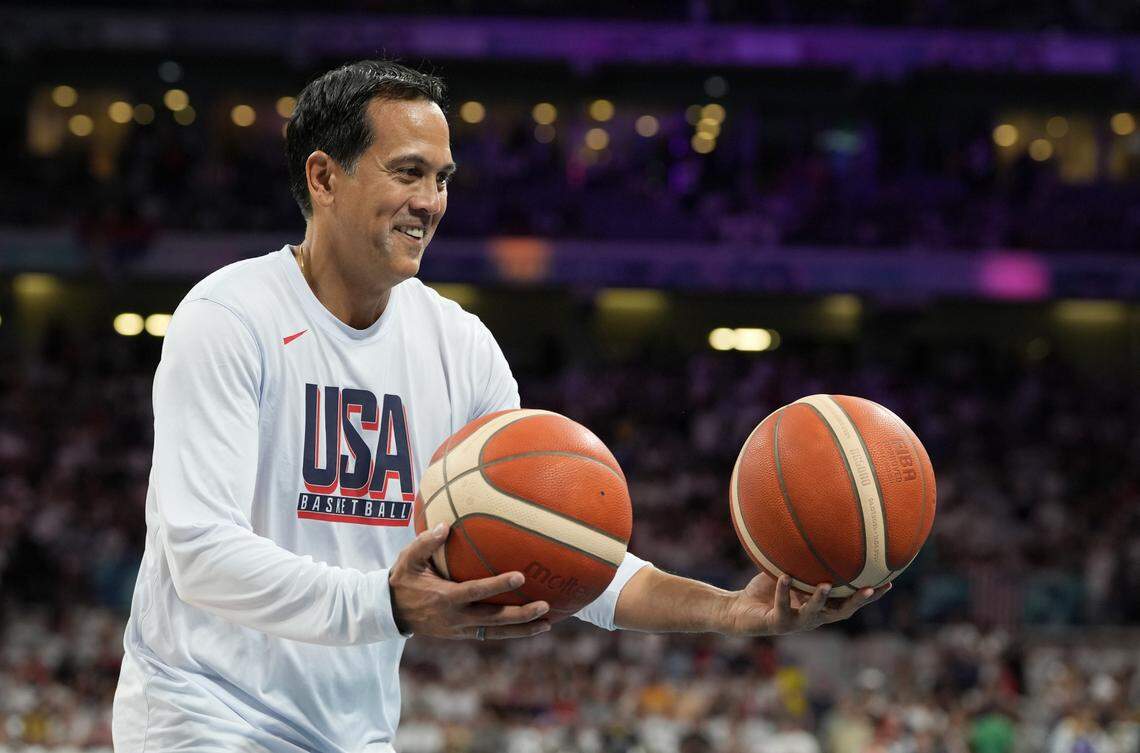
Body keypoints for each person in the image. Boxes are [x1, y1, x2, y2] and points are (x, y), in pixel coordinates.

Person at [111, 60, 889, 753]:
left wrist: (732, 612)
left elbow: (567, 547)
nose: (430, 202)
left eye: (443, 178)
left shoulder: (460, 344)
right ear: (324, 177)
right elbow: (199, 552)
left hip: (353, 727)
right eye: (408, 172)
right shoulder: (229, 316)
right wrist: (385, 602)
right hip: (200, 714)